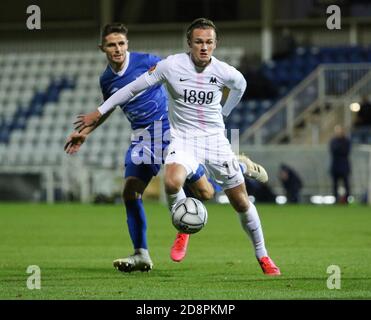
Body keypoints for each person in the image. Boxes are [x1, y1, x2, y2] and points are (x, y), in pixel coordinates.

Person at [73, 18, 280, 276]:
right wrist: (99, 112)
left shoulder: (226, 72)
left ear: (216, 44)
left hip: (215, 141)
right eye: (198, 42)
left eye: (209, 42)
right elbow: (132, 88)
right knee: (171, 182)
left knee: (236, 200)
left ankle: (263, 255)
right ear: (189, 43)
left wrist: (225, 112)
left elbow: (240, 87)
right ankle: (182, 228)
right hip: (181, 139)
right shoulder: (171, 66)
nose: (203, 47)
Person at [64, 23, 215, 273]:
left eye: (121, 43)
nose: (117, 49)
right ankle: (141, 254)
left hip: (169, 130)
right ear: (102, 48)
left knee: (206, 193)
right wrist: (84, 133)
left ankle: (233, 167)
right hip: (142, 138)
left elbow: (179, 70)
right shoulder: (106, 79)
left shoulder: (147, 61)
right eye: (112, 45)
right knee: (130, 192)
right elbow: (109, 107)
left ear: (127, 45)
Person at [329, 125, 351, 204]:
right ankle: (335, 200)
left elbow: (346, 152)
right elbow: (333, 151)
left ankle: (347, 200)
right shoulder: (333, 141)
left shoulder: (346, 141)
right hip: (335, 166)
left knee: (346, 184)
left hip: (344, 166)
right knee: (335, 184)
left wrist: (338, 149)